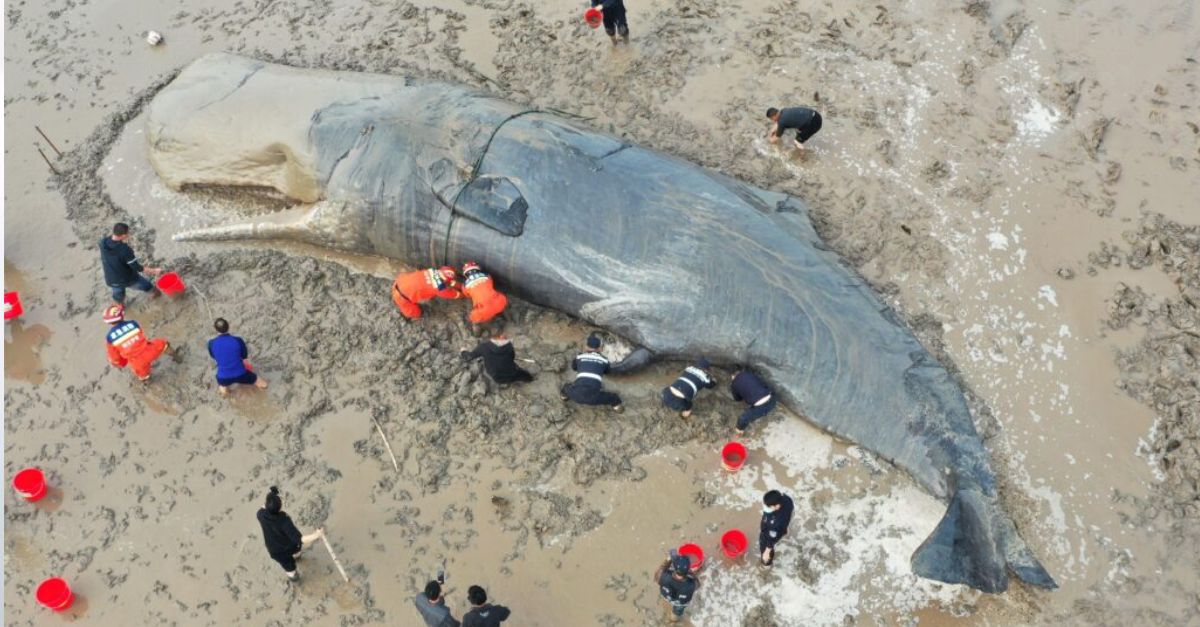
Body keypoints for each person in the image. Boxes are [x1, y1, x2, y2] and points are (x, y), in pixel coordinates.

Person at [256, 486, 324, 581]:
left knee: (287, 564)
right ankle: (294, 576)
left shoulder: (260, 514)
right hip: (286, 547)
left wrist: (272, 493)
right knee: (291, 566)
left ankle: (294, 565)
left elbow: (266, 505)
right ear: (280, 508)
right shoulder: (284, 521)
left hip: (274, 549)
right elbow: (300, 539)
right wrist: (317, 535)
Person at [104, 304, 171, 382]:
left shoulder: (109, 338)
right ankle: (176, 356)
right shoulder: (133, 323)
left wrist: (117, 363)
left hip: (137, 361)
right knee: (163, 344)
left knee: (143, 375)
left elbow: (114, 357)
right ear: (122, 315)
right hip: (149, 350)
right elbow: (141, 335)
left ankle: (147, 382)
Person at [99, 222, 162, 304]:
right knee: (148, 287)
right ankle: (156, 295)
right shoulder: (125, 250)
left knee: (118, 295)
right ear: (123, 235)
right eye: (128, 233)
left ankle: (119, 305)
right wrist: (154, 271)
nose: (129, 234)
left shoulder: (103, 242)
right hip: (127, 279)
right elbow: (137, 267)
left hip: (111, 279)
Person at [559, 334, 623, 412]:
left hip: (575, 394)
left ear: (586, 347)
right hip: (594, 397)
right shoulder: (604, 360)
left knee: (565, 388)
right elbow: (607, 372)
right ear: (600, 349)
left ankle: (564, 397)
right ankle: (618, 408)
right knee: (614, 398)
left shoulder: (579, 357)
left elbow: (574, 367)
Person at [207, 318, 268, 396]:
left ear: (215, 329)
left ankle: (225, 393)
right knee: (263, 384)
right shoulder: (238, 340)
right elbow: (244, 356)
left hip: (223, 377)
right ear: (228, 326)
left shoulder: (211, 343)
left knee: (222, 385)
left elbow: (213, 356)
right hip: (241, 374)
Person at [392, 266, 464, 320]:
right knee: (416, 313)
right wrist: (463, 294)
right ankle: (412, 317)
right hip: (401, 297)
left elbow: (447, 282)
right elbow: (453, 294)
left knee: (428, 290)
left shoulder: (431, 270)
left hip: (400, 281)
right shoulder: (439, 288)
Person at [461, 334, 533, 384]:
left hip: (497, 378)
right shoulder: (509, 346)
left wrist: (463, 351)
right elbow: (512, 358)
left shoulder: (483, 347)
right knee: (527, 376)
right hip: (512, 374)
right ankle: (530, 379)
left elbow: (468, 357)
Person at [731, 367, 778, 435]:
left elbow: (737, 399)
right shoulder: (749, 373)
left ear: (732, 376)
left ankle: (739, 430)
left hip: (762, 407)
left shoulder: (733, 384)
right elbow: (761, 383)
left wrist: (739, 428)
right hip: (773, 398)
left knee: (743, 419)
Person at [654, 554, 699, 622]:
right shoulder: (692, 585)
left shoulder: (662, 576)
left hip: (666, 595)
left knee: (667, 598)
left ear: (674, 568)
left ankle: (668, 603)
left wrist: (668, 560)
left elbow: (659, 571)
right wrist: (691, 572)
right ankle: (673, 620)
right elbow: (698, 584)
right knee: (677, 612)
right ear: (687, 570)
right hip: (680, 603)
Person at [759, 489, 795, 567]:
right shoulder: (786, 499)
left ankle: (767, 563)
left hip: (774, 530)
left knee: (764, 545)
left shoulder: (776, 523)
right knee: (782, 529)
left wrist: (767, 552)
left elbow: (772, 537)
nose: (767, 507)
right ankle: (784, 531)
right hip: (783, 524)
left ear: (777, 505)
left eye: (769, 506)